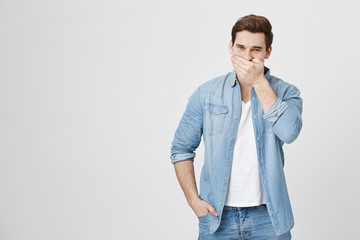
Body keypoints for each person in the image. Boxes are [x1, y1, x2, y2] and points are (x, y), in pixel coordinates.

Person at [170, 14, 302, 239]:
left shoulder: (287, 92)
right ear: (230, 46)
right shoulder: (206, 93)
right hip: (217, 218)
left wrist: (259, 81)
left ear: (268, 52)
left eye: (256, 50)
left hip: (269, 218)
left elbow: (289, 132)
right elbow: (181, 149)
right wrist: (194, 200)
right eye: (240, 47)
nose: (247, 57)